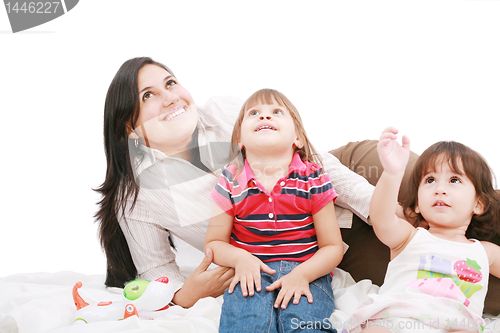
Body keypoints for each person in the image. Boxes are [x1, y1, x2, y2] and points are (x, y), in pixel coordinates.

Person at [95, 57, 374, 308]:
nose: (170, 98)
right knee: (409, 261)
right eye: (148, 95)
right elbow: (158, 270)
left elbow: (314, 160)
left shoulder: (220, 112)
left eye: (170, 83)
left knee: (412, 187)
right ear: (130, 129)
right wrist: (186, 294)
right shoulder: (137, 197)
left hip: (349, 179)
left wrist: (378, 208)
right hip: (324, 253)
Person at [205, 89, 343, 332]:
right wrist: (240, 259)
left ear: (297, 138)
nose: (264, 117)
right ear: (240, 140)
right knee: (246, 325)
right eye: (254, 113)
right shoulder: (230, 179)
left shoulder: (313, 177)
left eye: (276, 112)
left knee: (307, 326)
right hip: (250, 274)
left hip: (307, 273)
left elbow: (333, 247)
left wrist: (302, 275)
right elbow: (214, 243)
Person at [347, 127, 500, 333]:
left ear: (479, 204)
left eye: (454, 180)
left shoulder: (485, 251)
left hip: (456, 325)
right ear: (417, 204)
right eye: (430, 180)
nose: (439, 188)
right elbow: (381, 218)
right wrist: (393, 173)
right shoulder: (409, 236)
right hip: (397, 319)